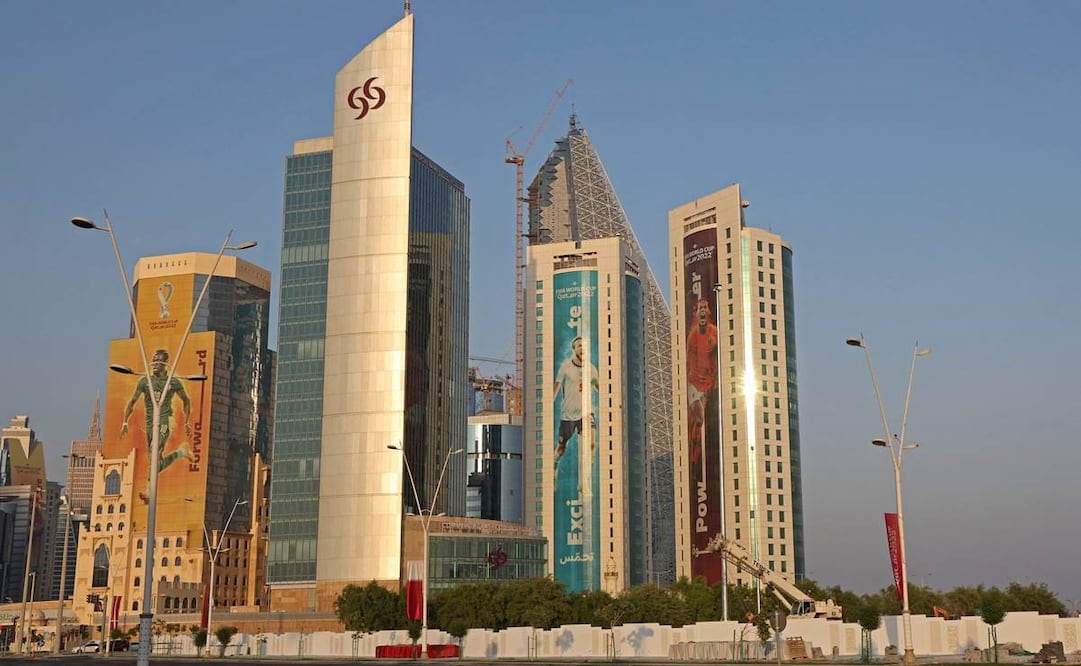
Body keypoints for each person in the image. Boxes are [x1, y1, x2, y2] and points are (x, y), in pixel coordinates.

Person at [120, 348, 195, 478]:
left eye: (158, 361)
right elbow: (132, 402)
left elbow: (186, 400)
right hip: (150, 424)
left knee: (156, 446)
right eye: (153, 361)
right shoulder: (145, 381)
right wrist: (125, 422)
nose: (154, 363)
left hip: (165, 421)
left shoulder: (173, 382)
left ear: (165, 363)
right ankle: (181, 452)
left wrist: (186, 422)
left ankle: (149, 491)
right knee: (155, 465)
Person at [553, 336, 599, 469]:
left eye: (584, 345)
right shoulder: (565, 367)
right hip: (567, 415)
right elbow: (555, 388)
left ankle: (587, 473)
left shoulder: (591, 369)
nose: (582, 348)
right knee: (561, 448)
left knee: (591, 444)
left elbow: (601, 389)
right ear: (574, 349)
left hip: (585, 413)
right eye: (579, 345)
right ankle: (555, 461)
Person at [686, 298, 718, 465]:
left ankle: (697, 457)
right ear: (697, 314)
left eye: (705, 307)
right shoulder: (692, 336)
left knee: (705, 422)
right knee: (700, 418)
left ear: (709, 312)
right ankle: (693, 458)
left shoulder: (715, 332)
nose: (703, 311)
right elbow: (688, 361)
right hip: (694, 384)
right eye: (700, 308)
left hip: (708, 386)